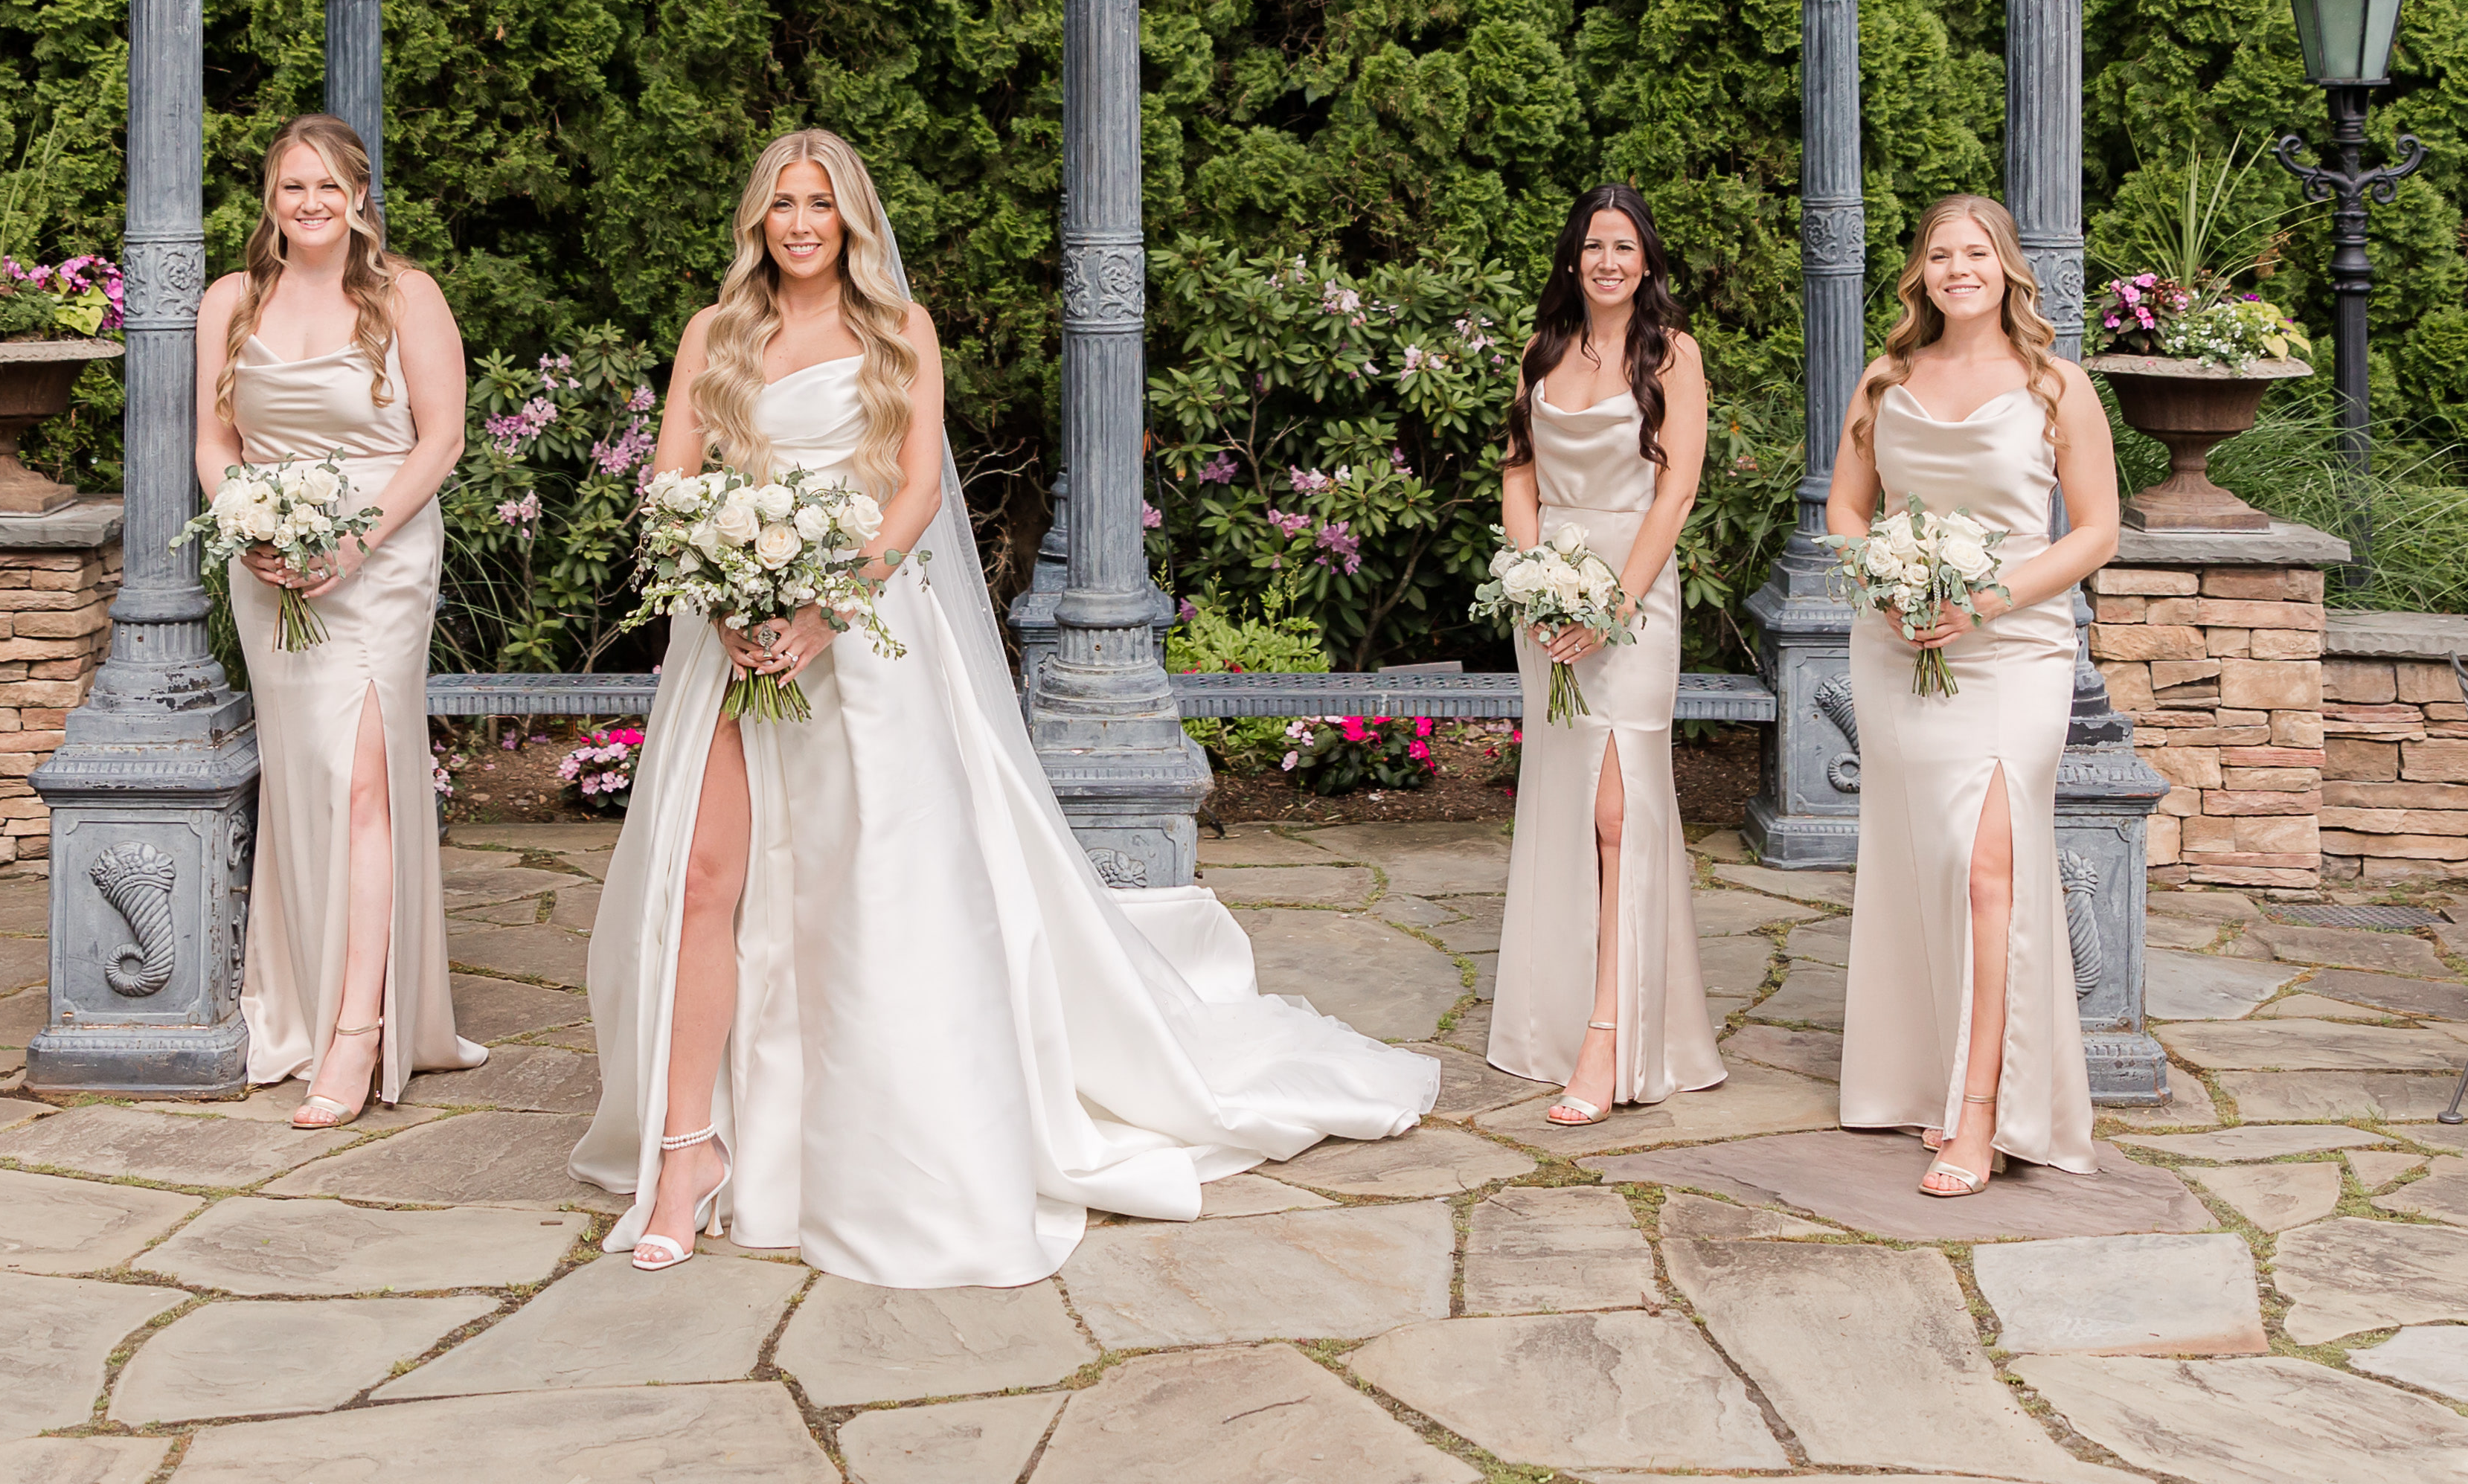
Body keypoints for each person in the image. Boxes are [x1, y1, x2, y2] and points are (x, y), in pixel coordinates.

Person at [574, 125, 1437, 1285]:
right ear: (757, 220)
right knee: (703, 881)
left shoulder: (898, 332)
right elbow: (672, 481)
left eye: (819, 203)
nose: (799, 223)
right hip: (728, 639)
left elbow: (920, 487)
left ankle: (873, 1144)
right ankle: (690, 1150)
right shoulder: (715, 337)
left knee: (863, 892)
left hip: (864, 641)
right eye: (781, 202)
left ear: (850, 220)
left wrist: (829, 609)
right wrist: (727, 589)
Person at [1827, 193, 2122, 1193]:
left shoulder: (2055, 385)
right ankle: (1927, 1076)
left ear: (2006, 270)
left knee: (1989, 866)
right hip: (1901, 644)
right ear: (1923, 272)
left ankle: (1986, 1108)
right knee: (1925, 860)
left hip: (2017, 651)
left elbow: (2095, 532)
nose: (1960, 269)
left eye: (1979, 253)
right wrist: (1893, 583)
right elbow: (1846, 507)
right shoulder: (1886, 377)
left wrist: (1985, 599)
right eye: (1942, 254)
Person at [197, 115, 485, 1125]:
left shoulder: (405, 295)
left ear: (358, 196)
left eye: (327, 187)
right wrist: (251, 529)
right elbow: (215, 440)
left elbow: (441, 438)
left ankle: (358, 1033)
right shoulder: (232, 301)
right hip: (271, 561)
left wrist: (356, 541)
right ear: (270, 202)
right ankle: (301, 999)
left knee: (364, 774)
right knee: (303, 776)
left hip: (385, 553)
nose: (310, 204)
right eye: (291, 189)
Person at [1484, 184, 1726, 1122]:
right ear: (1573, 258)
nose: (1609, 260)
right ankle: (1558, 1013)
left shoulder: (1674, 355)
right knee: (1564, 803)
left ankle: (1612, 1035)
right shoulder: (1541, 351)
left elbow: (1676, 492)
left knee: (1622, 810)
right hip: (1550, 599)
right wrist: (1536, 581)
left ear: (1648, 259)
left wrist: (1614, 605)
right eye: (1594, 244)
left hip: (1634, 591)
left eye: (1624, 245)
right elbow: (1519, 473)